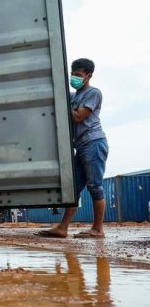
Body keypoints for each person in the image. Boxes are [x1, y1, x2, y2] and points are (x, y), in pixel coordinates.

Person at [37, 58, 108, 238]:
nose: (74, 78)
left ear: (88, 76)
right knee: (73, 189)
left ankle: (98, 229)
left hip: (94, 143)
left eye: (78, 75)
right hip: (81, 146)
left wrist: (64, 101)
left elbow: (78, 117)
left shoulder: (93, 93)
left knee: (95, 186)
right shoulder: (74, 96)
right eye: (72, 74)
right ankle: (63, 228)